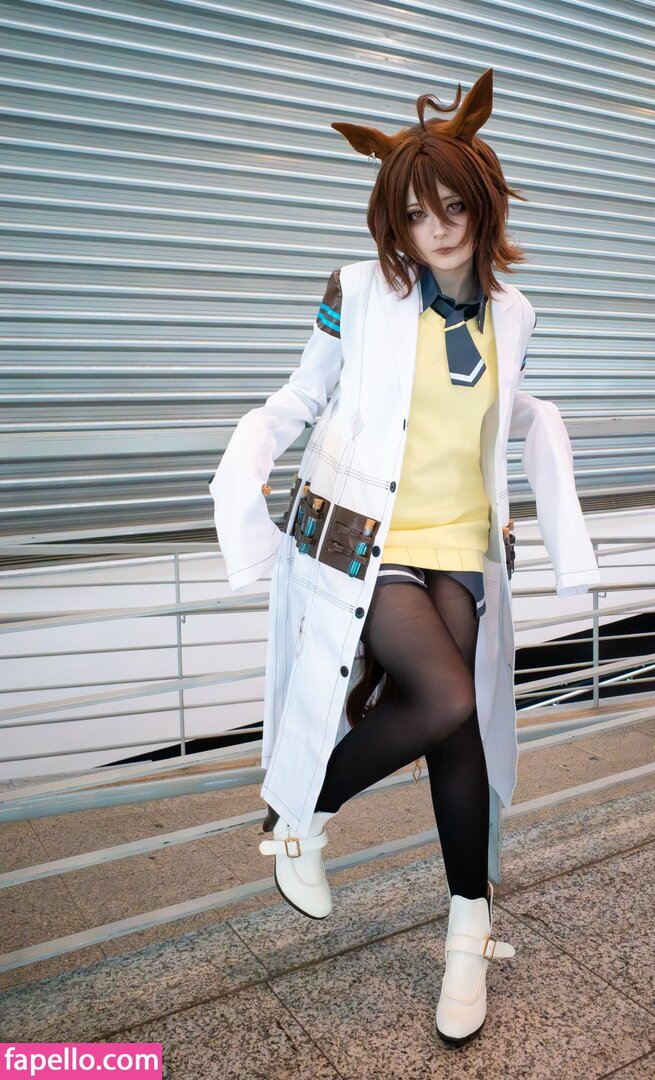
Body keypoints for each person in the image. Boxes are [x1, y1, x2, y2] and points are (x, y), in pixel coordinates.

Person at [209, 67, 600, 1046]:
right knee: (448, 697)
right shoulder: (355, 293)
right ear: (396, 220)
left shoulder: (516, 313)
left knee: (458, 734)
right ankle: (302, 811)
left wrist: (541, 424)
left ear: (483, 201)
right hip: (365, 539)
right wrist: (244, 466)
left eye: (453, 206)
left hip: (465, 544)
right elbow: (301, 398)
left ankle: (468, 936)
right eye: (417, 213)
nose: (438, 227)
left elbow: (480, 408)